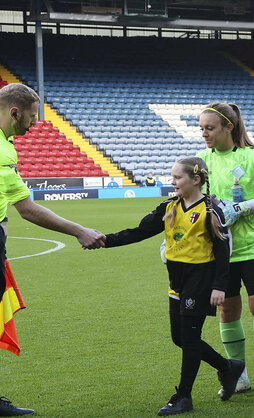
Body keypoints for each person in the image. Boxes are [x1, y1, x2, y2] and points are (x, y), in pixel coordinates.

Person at [99, 157, 245, 415]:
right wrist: (105, 241)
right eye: (172, 176)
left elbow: (223, 250)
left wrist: (220, 286)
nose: (172, 181)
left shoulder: (211, 211)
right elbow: (139, 232)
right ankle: (228, 367)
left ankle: (184, 396)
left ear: (196, 180)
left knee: (188, 338)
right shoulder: (169, 207)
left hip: (200, 281)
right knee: (179, 337)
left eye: (178, 177)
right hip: (176, 281)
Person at [0, 83, 104, 417]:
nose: (33, 126)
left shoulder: (7, 147)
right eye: (30, 118)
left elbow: (21, 206)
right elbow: (26, 209)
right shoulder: (3, 150)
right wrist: (79, 230)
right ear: (14, 112)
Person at [197, 102, 254, 392]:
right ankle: (239, 372)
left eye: (209, 128)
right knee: (227, 310)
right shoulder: (200, 160)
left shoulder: (252, 156)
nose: (204, 134)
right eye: (201, 129)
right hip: (220, 249)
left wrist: (244, 206)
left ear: (228, 127)